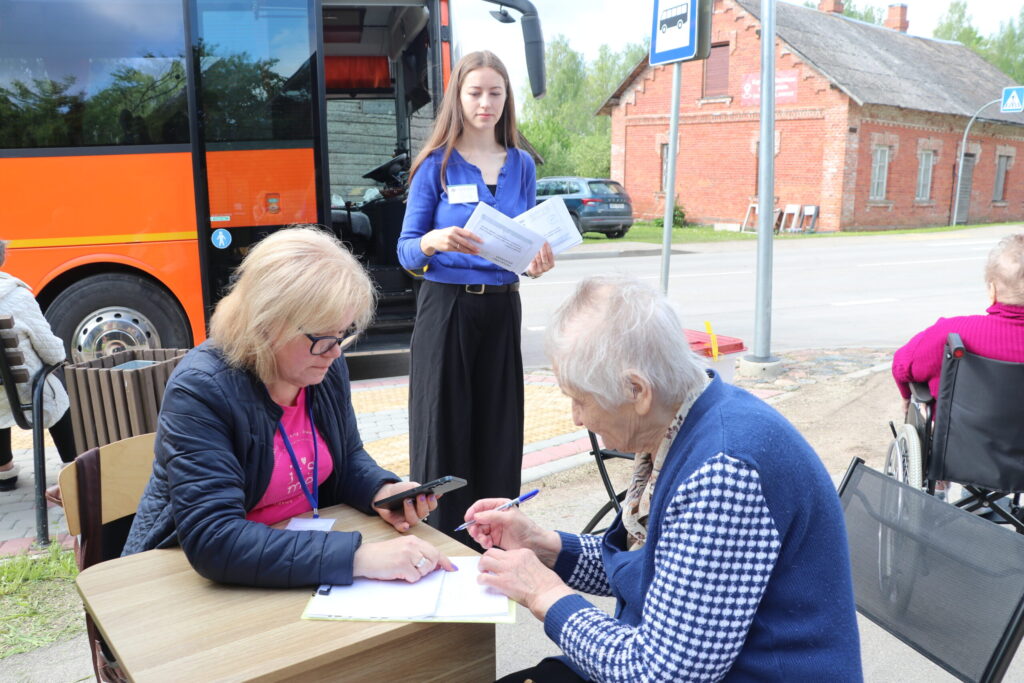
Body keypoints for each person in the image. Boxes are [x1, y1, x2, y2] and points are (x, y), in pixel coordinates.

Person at [465, 275, 862, 682]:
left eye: (581, 399)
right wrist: (545, 547)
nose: (577, 418)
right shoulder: (688, 420)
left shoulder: (724, 471)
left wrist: (544, 593)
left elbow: (662, 673)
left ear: (637, 390)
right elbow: (662, 571)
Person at [124, 227, 454, 587]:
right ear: (266, 325)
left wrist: (381, 491)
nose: (335, 351)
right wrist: (358, 557)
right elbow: (214, 539)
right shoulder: (202, 387)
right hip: (180, 580)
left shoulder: (321, 369)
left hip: (289, 558)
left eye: (342, 334)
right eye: (322, 337)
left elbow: (346, 459)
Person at [397, 50, 554, 542]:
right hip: (447, 308)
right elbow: (405, 250)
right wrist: (432, 241)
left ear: (507, 100)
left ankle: (494, 539)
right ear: (457, 98)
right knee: (442, 430)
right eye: (475, 92)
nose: (485, 102)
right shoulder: (434, 166)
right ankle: (441, 540)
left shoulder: (523, 165)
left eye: (495, 93)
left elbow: (523, 242)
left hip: (502, 306)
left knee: (498, 429)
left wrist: (535, 263)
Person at [893, 232, 1024, 411]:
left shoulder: (951, 333)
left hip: (960, 438)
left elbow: (902, 367)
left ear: (992, 291)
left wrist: (906, 398)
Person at [0, 239, 77, 492]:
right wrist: (58, 358)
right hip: (26, 394)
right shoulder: (16, 296)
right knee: (52, 388)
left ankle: (4, 471)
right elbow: (52, 352)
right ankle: (72, 464)